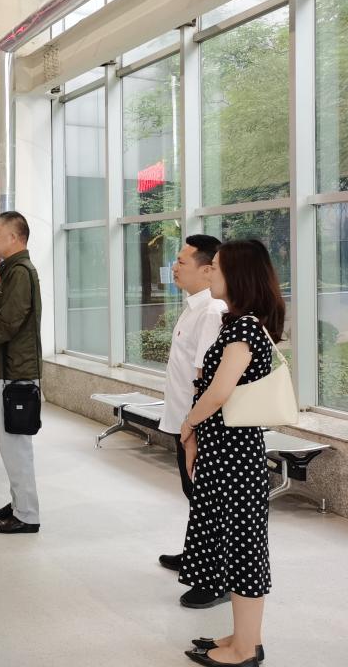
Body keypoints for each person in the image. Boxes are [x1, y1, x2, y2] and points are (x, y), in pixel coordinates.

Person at [179, 240, 284, 667]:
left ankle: (245, 650)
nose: (210, 272)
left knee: (243, 548)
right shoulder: (239, 323)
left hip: (234, 455)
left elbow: (220, 392)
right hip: (229, 452)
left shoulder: (243, 329)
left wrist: (189, 424)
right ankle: (244, 637)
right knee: (233, 544)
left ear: (238, 275)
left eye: (217, 266)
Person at [157, 236, 228, 611]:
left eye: (182, 261)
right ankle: (197, 555)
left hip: (197, 424)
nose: (175, 266)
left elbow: (206, 377)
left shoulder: (212, 311)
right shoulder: (192, 307)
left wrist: (193, 429)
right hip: (183, 419)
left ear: (206, 268)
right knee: (195, 496)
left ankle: (218, 578)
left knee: (207, 500)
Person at [0, 212, 42, 535]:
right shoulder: (12, 271)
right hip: (10, 369)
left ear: (14, 237)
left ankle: (26, 515)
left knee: (16, 449)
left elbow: (9, 322)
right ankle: (18, 504)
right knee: (11, 446)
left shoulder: (20, 273)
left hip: (17, 373)